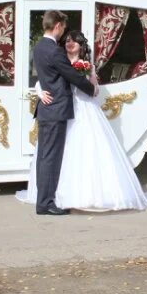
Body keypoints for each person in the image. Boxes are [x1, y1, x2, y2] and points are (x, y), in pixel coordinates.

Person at [17, 30, 147, 212]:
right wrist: (40, 92)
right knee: (55, 154)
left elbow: (94, 90)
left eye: (74, 41)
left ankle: (84, 195)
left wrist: (88, 80)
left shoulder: (87, 65)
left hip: (82, 108)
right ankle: (51, 196)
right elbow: (42, 79)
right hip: (61, 109)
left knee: (86, 150)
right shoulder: (58, 57)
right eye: (67, 40)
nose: (69, 43)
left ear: (81, 46)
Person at [28, 11, 97, 216]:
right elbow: (72, 76)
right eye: (63, 28)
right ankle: (46, 203)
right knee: (51, 158)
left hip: (46, 109)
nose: (64, 32)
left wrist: (40, 90)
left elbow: (45, 76)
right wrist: (91, 89)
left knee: (44, 157)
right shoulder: (55, 51)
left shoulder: (39, 47)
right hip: (56, 109)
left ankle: (44, 200)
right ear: (57, 25)